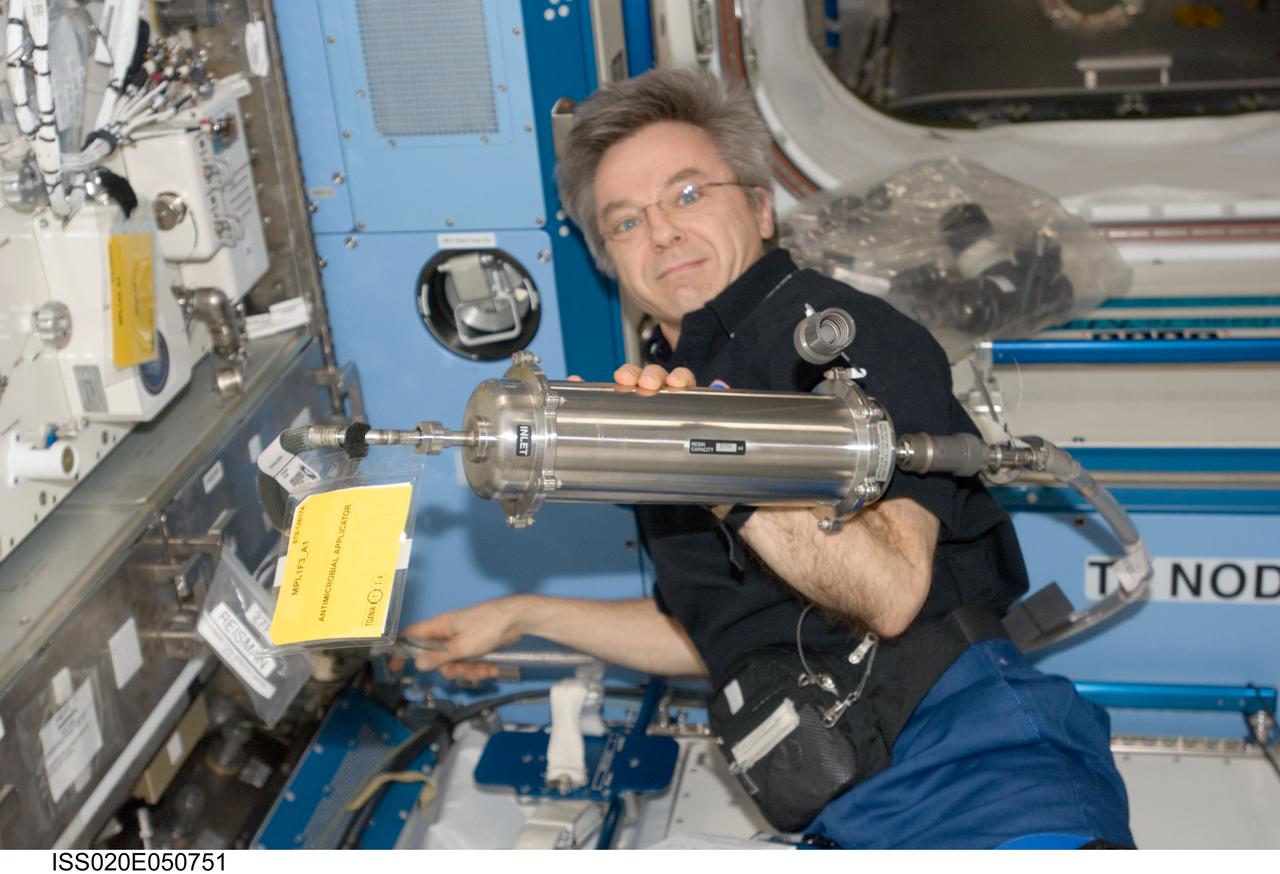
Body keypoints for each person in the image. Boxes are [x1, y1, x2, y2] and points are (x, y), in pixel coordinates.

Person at [401, 67, 1133, 849]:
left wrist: (695, 455)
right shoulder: (669, 396)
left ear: (759, 206)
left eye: (688, 195)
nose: (662, 233)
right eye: (624, 222)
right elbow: (730, 630)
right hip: (852, 807)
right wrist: (522, 618)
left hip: (979, 774)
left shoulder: (845, 335)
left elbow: (889, 592)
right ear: (608, 259)